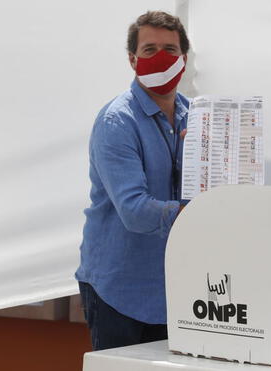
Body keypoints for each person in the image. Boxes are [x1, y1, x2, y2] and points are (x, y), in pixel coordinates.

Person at [75, 10, 190, 351]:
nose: (162, 58)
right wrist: (197, 212)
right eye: (150, 50)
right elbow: (135, 211)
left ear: (184, 58)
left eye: (170, 50)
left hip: (173, 287)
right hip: (119, 289)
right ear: (132, 59)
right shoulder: (117, 122)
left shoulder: (196, 116)